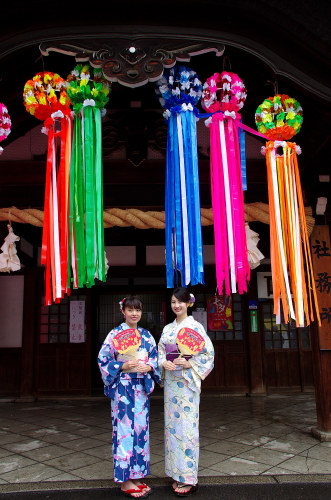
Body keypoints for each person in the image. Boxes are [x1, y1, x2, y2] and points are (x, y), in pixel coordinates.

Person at [98, 295, 161, 499]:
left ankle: (137, 474)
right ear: (122, 311)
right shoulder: (115, 334)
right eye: (130, 310)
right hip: (123, 388)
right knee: (125, 432)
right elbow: (103, 359)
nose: (134, 314)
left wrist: (149, 366)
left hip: (141, 388)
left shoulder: (146, 335)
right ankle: (125, 480)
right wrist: (122, 366)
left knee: (140, 431)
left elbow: (155, 358)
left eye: (138, 310)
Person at [158, 288, 214, 497]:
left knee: (187, 430)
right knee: (172, 430)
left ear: (189, 304)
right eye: (173, 302)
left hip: (187, 386)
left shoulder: (195, 327)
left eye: (180, 302)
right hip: (172, 385)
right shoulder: (167, 329)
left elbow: (208, 354)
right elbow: (160, 352)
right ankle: (176, 473)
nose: (176, 306)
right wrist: (163, 362)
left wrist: (190, 363)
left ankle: (189, 477)